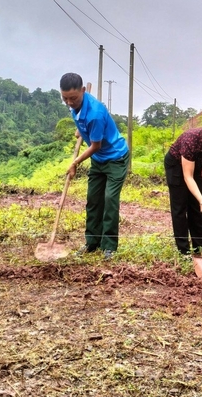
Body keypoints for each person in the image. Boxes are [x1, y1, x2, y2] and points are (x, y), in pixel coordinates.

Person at [59, 72, 130, 260]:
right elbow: (81, 119)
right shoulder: (74, 104)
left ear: (83, 91)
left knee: (109, 200)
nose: (69, 102)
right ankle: (92, 242)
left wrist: (75, 163)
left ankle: (109, 246)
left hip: (115, 157)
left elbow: (95, 145)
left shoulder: (96, 114)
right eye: (64, 98)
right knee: (93, 200)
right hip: (98, 160)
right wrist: (80, 129)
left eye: (73, 98)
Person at [164, 118, 202, 255]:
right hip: (176, 167)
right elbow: (188, 176)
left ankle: (200, 247)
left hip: (196, 165)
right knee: (180, 206)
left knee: (197, 209)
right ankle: (184, 249)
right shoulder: (190, 141)